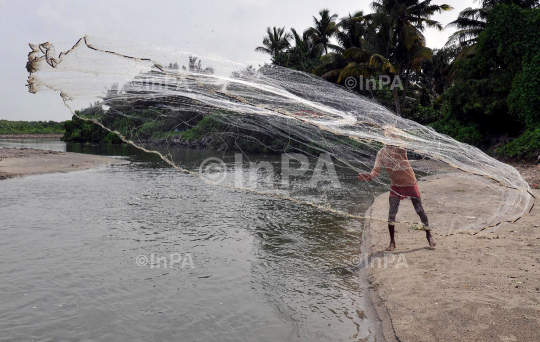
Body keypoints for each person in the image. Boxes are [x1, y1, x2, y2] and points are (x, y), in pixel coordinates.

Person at [358, 130, 436, 251]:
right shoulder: (381, 153)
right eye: (386, 136)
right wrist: (370, 176)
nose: (388, 139)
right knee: (391, 214)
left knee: (419, 210)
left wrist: (394, 134)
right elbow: (376, 171)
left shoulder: (400, 149)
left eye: (390, 136)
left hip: (410, 183)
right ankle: (392, 242)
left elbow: (402, 143)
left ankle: (428, 234)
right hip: (396, 186)